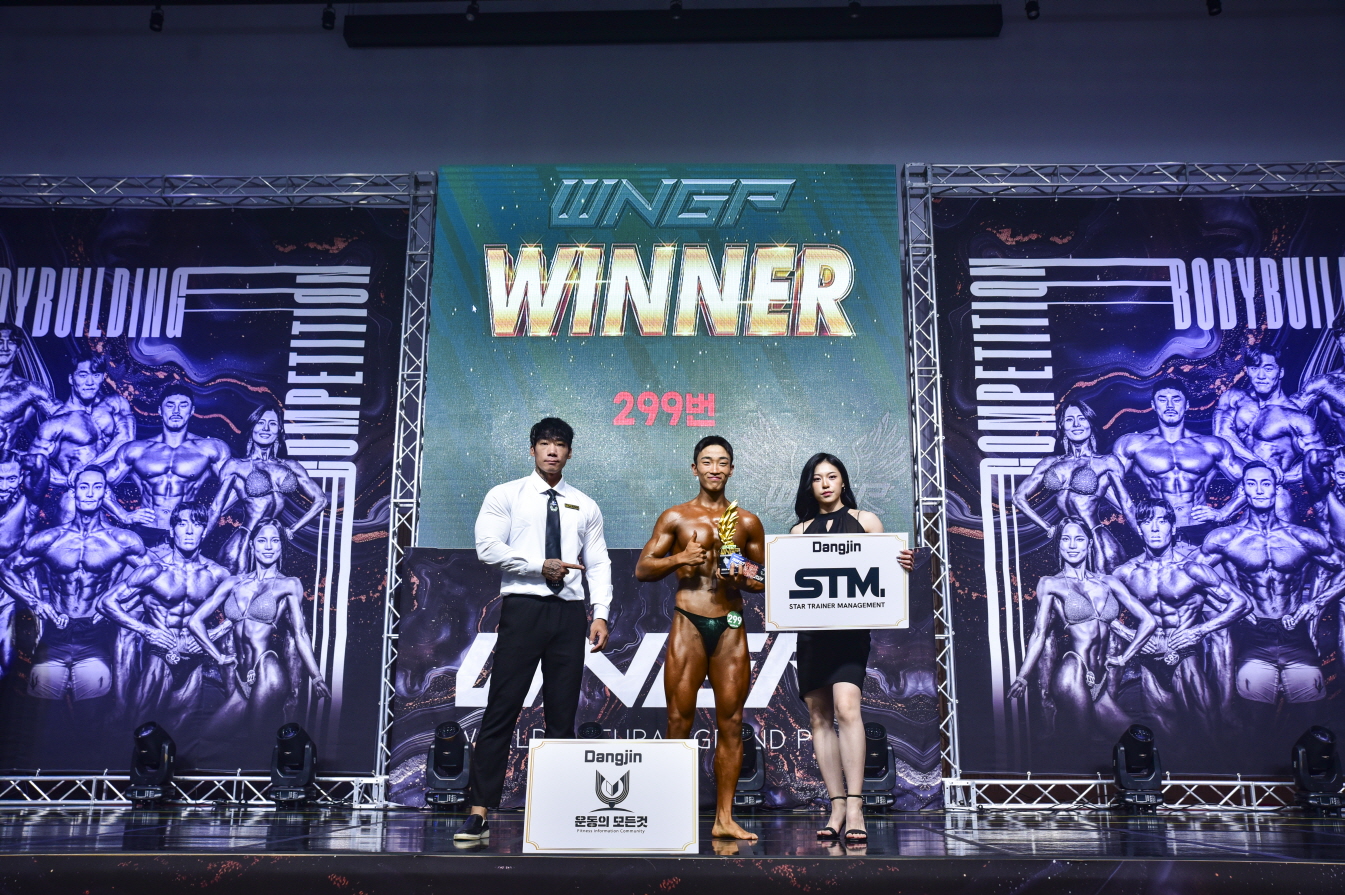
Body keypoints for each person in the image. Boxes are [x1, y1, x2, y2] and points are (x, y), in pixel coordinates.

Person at [454, 418, 612, 842]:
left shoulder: (585, 504)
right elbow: (487, 547)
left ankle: (557, 813)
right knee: (501, 709)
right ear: (532, 449)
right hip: (523, 609)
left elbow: (598, 561)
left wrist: (600, 612)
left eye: (560, 445)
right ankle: (479, 812)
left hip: (569, 613)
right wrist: (538, 565)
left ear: (570, 453)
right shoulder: (506, 495)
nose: (552, 451)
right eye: (545, 444)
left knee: (562, 715)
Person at [634, 435, 763, 841]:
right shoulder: (676, 517)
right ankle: (674, 815)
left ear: (731, 469)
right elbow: (642, 568)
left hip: (730, 623)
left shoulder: (747, 522)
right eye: (707, 461)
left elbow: (763, 578)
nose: (714, 468)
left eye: (722, 462)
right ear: (694, 469)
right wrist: (681, 558)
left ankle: (724, 819)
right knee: (678, 720)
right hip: (688, 620)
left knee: (732, 721)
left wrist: (740, 573)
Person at [788, 453, 914, 845]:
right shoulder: (798, 531)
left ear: (843, 481)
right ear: (810, 486)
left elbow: (885, 572)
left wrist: (902, 563)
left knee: (847, 708)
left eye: (832, 476)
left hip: (850, 633)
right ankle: (837, 805)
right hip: (812, 634)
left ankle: (856, 805)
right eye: (817, 478)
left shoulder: (866, 521)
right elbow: (789, 581)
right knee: (819, 717)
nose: (825, 484)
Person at [2, 466, 148, 721]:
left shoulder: (121, 540)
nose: (90, 493)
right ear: (74, 492)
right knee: (44, 720)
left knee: (89, 719)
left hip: (95, 634)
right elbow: (6, 569)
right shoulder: (50, 539)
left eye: (97, 487)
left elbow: (153, 576)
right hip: (54, 633)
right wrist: (36, 603)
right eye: (84, 487)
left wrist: (116, 605)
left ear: (105, 493)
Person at [1194, 462, 1342, 711]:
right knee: (1255, 721)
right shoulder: (1226, 538)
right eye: (1252, 484)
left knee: (1309, 717)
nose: (1260, 490)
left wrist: (1317, 603)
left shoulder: (1301, 537)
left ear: (1276, 489)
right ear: (1243, 490)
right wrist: (1231, 605)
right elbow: (1190, 576)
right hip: (1254, 635)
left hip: (1295, 633)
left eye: (1266, 483)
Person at [1110, 500, 1251, 730]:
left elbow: (1242, 603)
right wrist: (1130, 634)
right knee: (1166, 739)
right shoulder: (1126, 573)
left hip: (1184, 656)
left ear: (1173, 528)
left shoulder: (1191, 570)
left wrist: (1200, 630)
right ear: (1140, 529)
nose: (1155, 528)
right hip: (1148, 660)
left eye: (1162, 521)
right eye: (1147, 522)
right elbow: (1097, 609)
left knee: (1207, 735)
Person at [1008, 519, 1157, 734]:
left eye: (1079, 539)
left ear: (1089, 543)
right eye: (1065, 539)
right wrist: (1023, 677)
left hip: (1099, 679)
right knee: (1081, 744)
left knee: (1133, 737)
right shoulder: (1050, 583)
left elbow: (1149, 621)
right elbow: (1039, 633)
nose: (1072, 545)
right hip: (1073, 671)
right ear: (1059, 544)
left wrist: (1124, 657)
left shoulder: (1108, 582)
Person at [188, 521, 332, 735]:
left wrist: (316, 676)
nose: (269, 547)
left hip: (268, 671)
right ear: (252, 545)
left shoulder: (289, 584)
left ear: (281, 545)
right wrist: (218, 657)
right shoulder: (234, 582)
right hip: (242, 677)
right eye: (262, 541)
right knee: (207, 738)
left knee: (254, 741)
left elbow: (300, 633)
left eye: (275, 541)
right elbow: (194, 622)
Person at [98, 503, 232, 729]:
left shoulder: (217, 574)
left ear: (204, 531)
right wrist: (146, 630)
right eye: (182, 524)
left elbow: (243, 610)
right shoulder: (154, 571)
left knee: (181, 736)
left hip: (195, 661)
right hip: (161, 656)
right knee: (139, 729)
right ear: (172, 531)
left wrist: (211, 634)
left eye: (196, 524)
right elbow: (105, 603)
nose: (189, 531)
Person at [1013, 401, 1137, 572]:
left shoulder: (1107, 462)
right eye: (1070, 420)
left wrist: (1144, 536)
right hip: (1069, 540)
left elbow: (1126, 505)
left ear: (1090, 423)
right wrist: (1048, 528)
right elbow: (1018, 498)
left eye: (1082, 418)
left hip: (1097, 541)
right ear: (1062, 426)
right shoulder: (1050, 463)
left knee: (1107, 587)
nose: (1076, 424)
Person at [102, 382, 231, 545]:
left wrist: (212, 514)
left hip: (186, 533)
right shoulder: (136, 450)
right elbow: (96, 482)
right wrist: (123, 515)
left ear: (192, 411)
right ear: (160, 411)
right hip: (145, 530)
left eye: (183, 405)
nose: (176, 411)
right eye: (170, 405)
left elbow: (236, 485)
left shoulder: (210, 449)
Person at [1113, 378, 1245, 536]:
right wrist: (1131, 513)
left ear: (1187, 405)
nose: (1170, 405)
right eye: (1162, 400)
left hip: (1200, 529)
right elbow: (1105, 483)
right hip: (1159, 531)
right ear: (1153, 405)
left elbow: (1253, 478)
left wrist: (1224, 513)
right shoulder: (1134, 444)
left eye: (1176, 399)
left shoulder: (1211, 445)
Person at [209, 404, 329, 572]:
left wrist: (292, 529)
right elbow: (218, 508)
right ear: (252, 427)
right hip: (244, 542)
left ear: (279, 429)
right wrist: (199, 537)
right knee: (236, 587)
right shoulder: (236, 465)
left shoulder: (290, 466)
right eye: (260, 422)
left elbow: (321, 500)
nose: (266, 428)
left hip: (271, 542)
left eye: (272, 424)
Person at [1215, 346, 1329, 518]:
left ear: (1280, 372)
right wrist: (1263, 465)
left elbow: (1318, 460)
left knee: (1279, 503)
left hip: (1271, 491)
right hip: (1235, 479)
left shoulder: (1295, 418)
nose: (1261, 376)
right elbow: (1221, 436)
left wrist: (1282, 477)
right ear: (1247, 371)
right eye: (1255, 368)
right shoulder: (1234, 398)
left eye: (1268, 369)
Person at [0, 323, 60, 454]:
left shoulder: (30, 390)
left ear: (18, 348)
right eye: (0, 342)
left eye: (11, 342)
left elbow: (69, 420)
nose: (4, 348)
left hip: (5, 462)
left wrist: (37, 453)